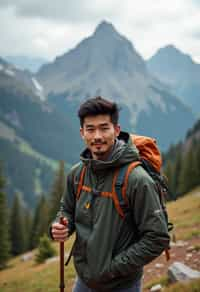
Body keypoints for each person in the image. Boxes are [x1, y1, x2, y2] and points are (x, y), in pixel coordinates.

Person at [50, 96, 170, 292]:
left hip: (121, 285)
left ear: (116, 130)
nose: (97, 136)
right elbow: (67, 209)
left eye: (104, 128)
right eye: (90, 129)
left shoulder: (137, 180)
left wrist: (112, 269)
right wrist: (60, 225)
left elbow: (157, 238)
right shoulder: (77, 174)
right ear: (82, 133)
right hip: (83, 281)